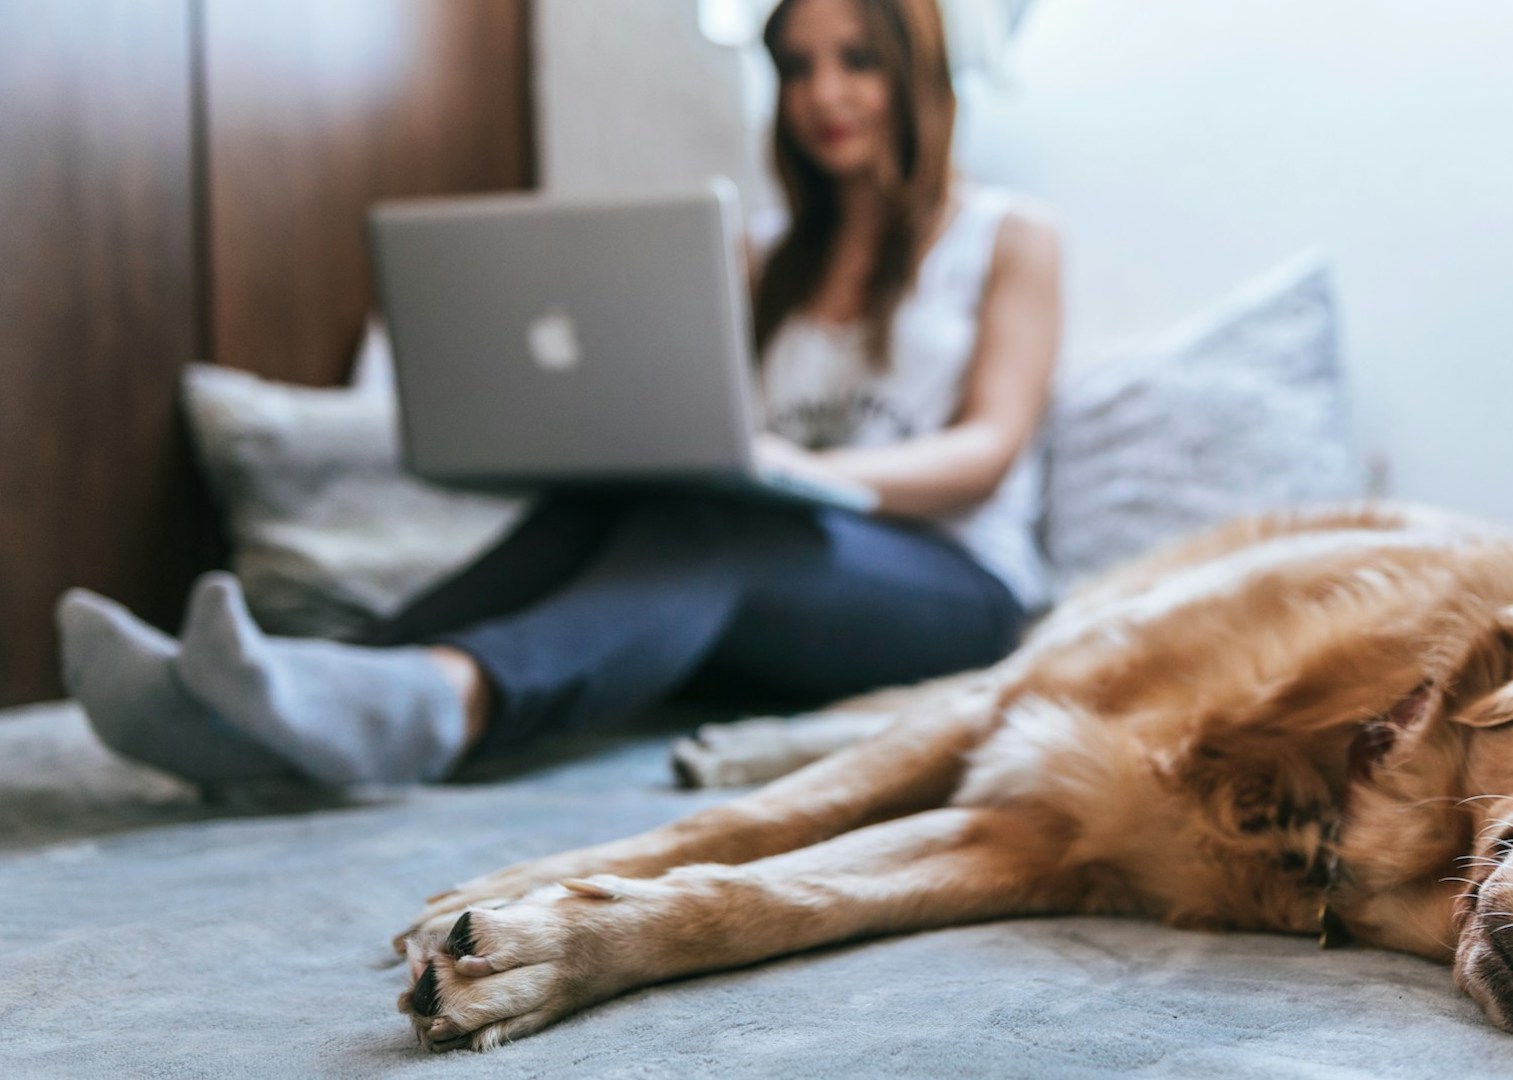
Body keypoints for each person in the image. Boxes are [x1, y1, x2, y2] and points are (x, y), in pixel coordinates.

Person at [55, 0, 1061, 788]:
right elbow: (708, 420)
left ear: (915, 70)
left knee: (719, 528)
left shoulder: (1008, 236)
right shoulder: (761, 257)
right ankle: (285, 691)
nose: (823, 93)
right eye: (797, 66)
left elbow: (989, 450)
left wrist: (808, 471)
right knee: (637, 501)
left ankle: (446, 703)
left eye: (857, 59)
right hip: (775, 579)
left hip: (953, 594)